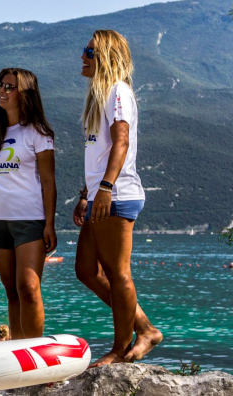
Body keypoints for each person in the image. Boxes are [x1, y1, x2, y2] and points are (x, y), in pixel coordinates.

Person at [72, 30, 162, 366]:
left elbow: (120, 143)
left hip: (117, 195)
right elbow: (101, 152)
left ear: (106, 57)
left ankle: (122, 349)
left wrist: (106, 188)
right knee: (85, 269)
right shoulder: (101, 96)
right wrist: (87, 194)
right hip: (101, 195)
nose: (83, 56)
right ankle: (144, 329)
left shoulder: (118, 91)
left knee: (118, 272)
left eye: (89, 51)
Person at [0, 68, 57, 340]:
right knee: (11, 290)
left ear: (26, 94)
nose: (3, 90)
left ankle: (35, 354)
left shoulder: (38, 131)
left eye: (10, 87)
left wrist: (50, 223)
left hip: (30, 219)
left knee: (29, 287)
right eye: (0, 84)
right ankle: (18, 353)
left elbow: (48, 181)